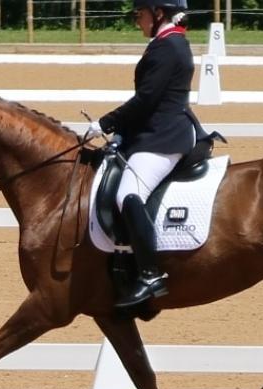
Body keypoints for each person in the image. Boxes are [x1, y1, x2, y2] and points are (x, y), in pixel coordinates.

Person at [86, 0, 195, 309]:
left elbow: (146, 100)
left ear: (157, 13)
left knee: (127, 194)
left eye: (139, 14)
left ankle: (150, 275)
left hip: (163, 138)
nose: (137, 21)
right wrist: (124, 133)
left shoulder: (167, 47)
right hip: (154, 131)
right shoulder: (171, 42)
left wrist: (105, 123)